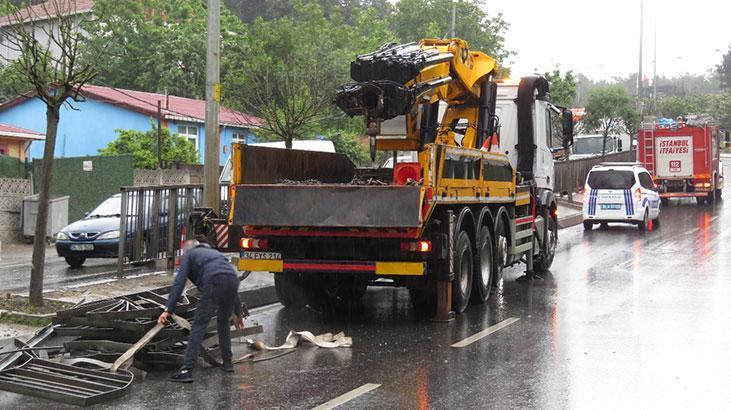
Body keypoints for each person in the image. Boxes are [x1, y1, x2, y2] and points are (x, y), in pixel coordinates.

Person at [157, 236, 247, 383]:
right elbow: (231, 282)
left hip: (213, 282)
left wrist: (168, 309)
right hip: (232, 281)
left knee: (198, 325)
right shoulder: (215, 254)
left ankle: (186, 370)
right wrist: (238, 312)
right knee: (223, 322)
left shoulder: (190, 254)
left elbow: (179, 283)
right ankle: (228, 364)